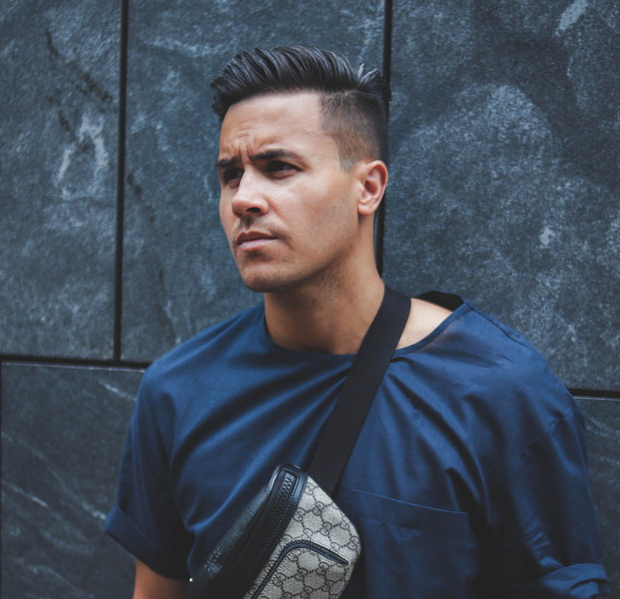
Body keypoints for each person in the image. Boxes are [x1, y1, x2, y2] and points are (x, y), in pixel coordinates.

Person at [104, 46, 609, 598]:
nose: (244, 198)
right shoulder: (177, 391)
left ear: (368, 187)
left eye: (278, 168)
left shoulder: (501, 393)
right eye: (230, 175)